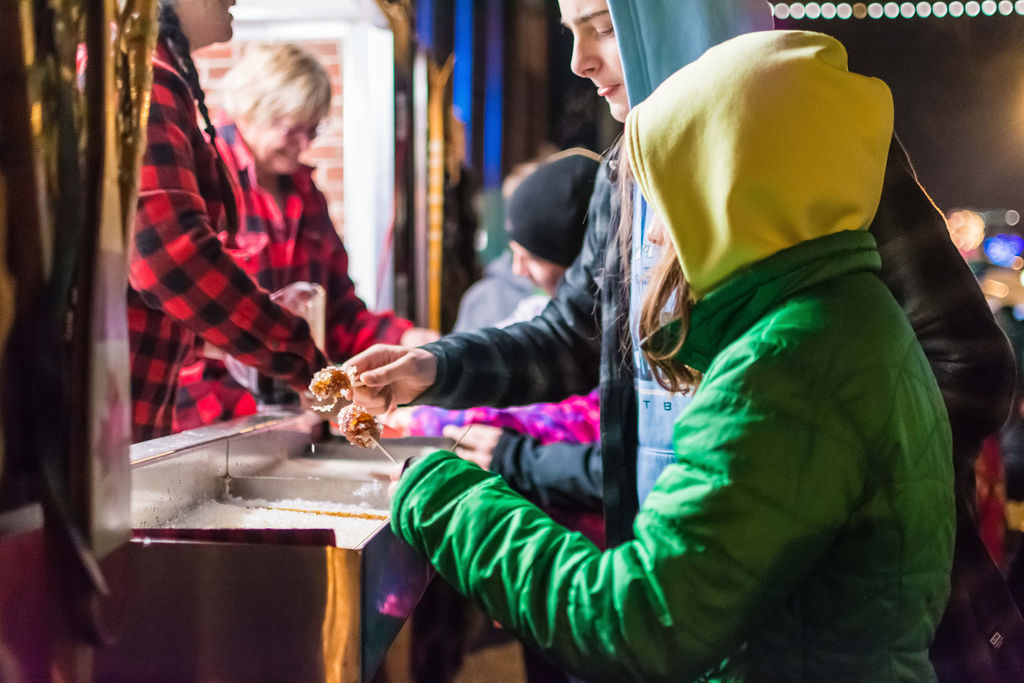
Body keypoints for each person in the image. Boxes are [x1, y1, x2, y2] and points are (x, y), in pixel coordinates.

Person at [351, 1, 1020, 676]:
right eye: (570, 33)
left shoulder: (800, 140)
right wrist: (436, 366)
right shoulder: (629, 178)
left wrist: (803, 517)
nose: (580, 61)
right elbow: (576, 333)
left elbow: (960, 366)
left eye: (604, 26)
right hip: (710, 604)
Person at [172, 43, 436, 430]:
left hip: (291, 418)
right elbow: (183, 315)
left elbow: (340, 316)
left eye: (313, 129)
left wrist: (413, 341)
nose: (306, 143)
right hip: (208, 416)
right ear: (254, 108)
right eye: (294, 128)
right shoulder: (203, 175)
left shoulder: (306, 195)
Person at [130, 0, 334, 441]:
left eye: (313, 130)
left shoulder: (149, 75)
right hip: (172, 420)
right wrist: (301, 358)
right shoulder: (144, 79)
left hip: (136, 418)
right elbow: (170, 262)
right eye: (292, 125)